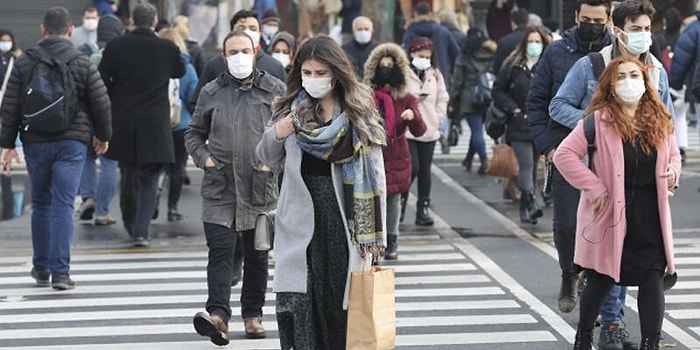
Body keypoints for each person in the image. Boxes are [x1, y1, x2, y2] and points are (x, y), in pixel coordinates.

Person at [549, 2, 674, 348]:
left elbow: (672, 137)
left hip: (649, 207)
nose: (644, 36)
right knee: (604, 275)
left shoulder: (657, 81)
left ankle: (650, 340)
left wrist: (672, 170)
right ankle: (593, 330)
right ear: (617, 29)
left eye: (648, 29)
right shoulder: (593, 94)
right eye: (637, 29)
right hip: (610, 206)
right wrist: (593, 166)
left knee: (651, 275)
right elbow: (561, 130)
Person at [256, 35, 386, 350]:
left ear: (336, 73)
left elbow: (375, 173)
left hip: (343, 221)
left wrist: (374, 237)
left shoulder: (357, 111)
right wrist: (278, 132)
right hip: (299, 217)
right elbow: (266, 157)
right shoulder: (289, 109)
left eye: (320, 73)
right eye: (307, 73)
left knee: (337, 305)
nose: (313, 80)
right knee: (297, 303)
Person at [0, 6, 112, 290]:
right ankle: (61, 273)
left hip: (35, 141)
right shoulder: (81, 60)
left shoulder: (25, 62)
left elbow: (10, 105)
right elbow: (100, 102)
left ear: (42, 30)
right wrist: (103, 135)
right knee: (63, 204)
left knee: (41, 204)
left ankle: (41, 267)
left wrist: (6, 144)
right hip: (71, 142)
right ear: (71, 31)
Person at [186, 30, 284, 345]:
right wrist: (205, 160)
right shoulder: (211, 91)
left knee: (256, 255)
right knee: (220, 252)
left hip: (260, 189)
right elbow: (193, 133)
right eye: (232, 52)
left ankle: (253, 315)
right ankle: (218, 316)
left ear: (255, 51)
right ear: (224, 56)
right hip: (220, 189)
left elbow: (290, 135)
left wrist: (273, 164)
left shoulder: (274, 90)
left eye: (245, 50)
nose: (239, 56)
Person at [526, 0, 613, 321]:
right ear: (576, 17)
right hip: (566, 152)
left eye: (598, 20)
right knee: (566, 224)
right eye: (586, 19)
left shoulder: (615, 54)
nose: (591, 24)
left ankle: (594, 284)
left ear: (608, 19)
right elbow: (538, 102)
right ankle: (568, 272)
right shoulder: (556, 52)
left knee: (604, 224)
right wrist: (547, 147)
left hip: (608, 157)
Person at [98, 2, 185, 246]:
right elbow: (179, 71)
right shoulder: (166, 47)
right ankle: (141, 231)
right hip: (155, 121)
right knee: (149, 178)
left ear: (132, 21)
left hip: (123, 119)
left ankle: (129, 222)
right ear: (155, 22)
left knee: (127, 173)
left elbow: (102, 78)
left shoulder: (116, 45)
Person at [364, 42, 426, 260]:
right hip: (371, 153)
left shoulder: (406, 98)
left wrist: (413, 115)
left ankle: (392, 239)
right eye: (382, 65)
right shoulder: (366, 96)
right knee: (371, 201)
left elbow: (420, 130)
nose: (386, 69)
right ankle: (372, 240)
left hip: (397, 154)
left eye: (391, 65)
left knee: (393, 202)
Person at [492, 26, 550, 225]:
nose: (534, 46)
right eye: (531, 41)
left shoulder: (546, 64)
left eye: (538, 42)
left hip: (541, 122)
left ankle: (527, 204)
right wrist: (513, 109)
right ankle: (530, 203)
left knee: (534, 165)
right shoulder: (513, 64)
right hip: (519, 122)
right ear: (525, 43)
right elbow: (498, 90)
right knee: (526, 164)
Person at [74, 14, 125, 226]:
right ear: (118, 31)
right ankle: (103, 211)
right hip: (112, 114)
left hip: (86, 114)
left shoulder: (84, 51)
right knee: (109, 161)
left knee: (86, 156)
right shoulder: (121, 53)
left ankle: (88, 197)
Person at [194, 9, 287, 107]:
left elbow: (286, 104)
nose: (247, 32)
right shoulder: (215, 65)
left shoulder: (275, 67)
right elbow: (198, 104)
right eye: (241, 28)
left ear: (259, 34)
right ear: (231, 32)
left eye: (252, 28)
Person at [403, 37, 449, 226]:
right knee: (412, 168)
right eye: (420, 56)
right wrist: (411, 99)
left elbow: (442, 98)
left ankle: (423, 207)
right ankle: (401, 202)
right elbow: (396, 96)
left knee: (425, 170)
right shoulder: (404, 72)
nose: (423, 59)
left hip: (429, 128)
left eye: (427, 57)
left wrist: (438, 118)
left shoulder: (435, 74)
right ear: (412, 54)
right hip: (407, 129)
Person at [157, 28, 198, 222]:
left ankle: (154, 201)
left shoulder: (153, 65)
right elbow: (193, 96)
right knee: (178, 167)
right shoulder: (187, 68)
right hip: (181, 123)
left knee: (157, 166)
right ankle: (172, 208)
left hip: (158, 123)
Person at [450, 28, 497, 174]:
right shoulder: (492, 54)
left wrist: (452, 101)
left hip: (469, 97)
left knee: (476, 131)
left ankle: (484, 161)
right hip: (488, 96)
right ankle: (469, 158)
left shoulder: (464, 57)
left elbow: (458, 82)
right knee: (477, 130)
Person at [653, 8, 687, 164]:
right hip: (683, 84)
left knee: (669, 115)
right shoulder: (683, 38)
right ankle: (681, 148)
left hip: (669, 80)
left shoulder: (660, 38)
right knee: (681, 117)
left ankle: (670, 149)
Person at [401, 2, 459, 90]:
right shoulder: (443, 32)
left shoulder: (409, 32)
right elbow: (456, 54)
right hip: (440, 80)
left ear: (415, 13)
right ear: (430, 14)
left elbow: (403, 57)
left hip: (414, 83)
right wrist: (449, 71)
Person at [0, 28, 22, 221]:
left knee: (4, 153)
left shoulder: (17, 61)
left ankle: (8, 208)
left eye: (8, 40)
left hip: (6, 111)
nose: (5, 44)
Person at [492, 8, 529, 74]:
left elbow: (498, 67)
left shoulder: (504, 42)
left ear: (512, 23)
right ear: (528, 22)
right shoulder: (536, 40)